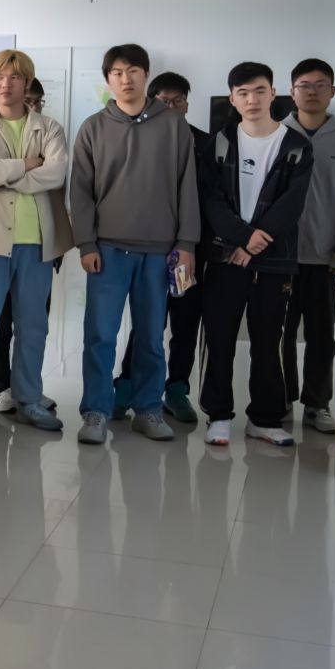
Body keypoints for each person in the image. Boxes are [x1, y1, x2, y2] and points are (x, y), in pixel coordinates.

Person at [69, 43, 199, 445]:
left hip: (159, 251)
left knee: (150, 338)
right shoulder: (93, 127)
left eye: (133, 71)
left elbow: (187, 187)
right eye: (117, 73)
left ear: (146, 75)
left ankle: (148, 409)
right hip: (107, 250)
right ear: (108, 79)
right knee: (100, 336)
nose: (126, 79)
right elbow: (80, 191)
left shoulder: (173, 126)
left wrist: (187, 243)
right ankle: (95, 411)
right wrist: (86, 243)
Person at [197, 63, 314, 448]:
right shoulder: (219, 142)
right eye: (243, 93)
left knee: (268, 341)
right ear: (232, 98)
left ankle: (264, 419)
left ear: (273, 94)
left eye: (260, 91)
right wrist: (242, 239)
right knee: (220, 337)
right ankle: (218, 416)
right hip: (226, 256)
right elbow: (211, 201)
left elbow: (292, 203)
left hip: (274, 259)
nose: (252, 99)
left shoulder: (296, 145)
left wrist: (253, 243)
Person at [0, 50, 71, 435]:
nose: (6, 84)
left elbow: (55, 174)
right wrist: (25, 164)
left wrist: (3, 175)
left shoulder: (49, 128)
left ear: (27, 83)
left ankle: (29, 399)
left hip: (36, 242)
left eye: (15, 77)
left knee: (33, 327)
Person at [113, 71, 205, 423]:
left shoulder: (203, 142)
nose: (172, 106)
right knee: (147, 322)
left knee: (185, 322)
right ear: (152, 102)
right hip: (150, 248)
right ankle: (126, 386)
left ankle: (177, 389)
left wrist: (191, 243)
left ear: (186, 105)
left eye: (178, 100)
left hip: (189, 251)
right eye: (164, 100)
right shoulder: (139, 138)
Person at [282, 58, 335, 435]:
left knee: (322, 336)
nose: (312, 92)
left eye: (320, 85)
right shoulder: (276, 134)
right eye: (304, 85)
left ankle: (317, 403)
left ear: (332, 91)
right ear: (292, 92)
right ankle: (279, 400)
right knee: (278, 334)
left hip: (326, 258)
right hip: (280, 257)